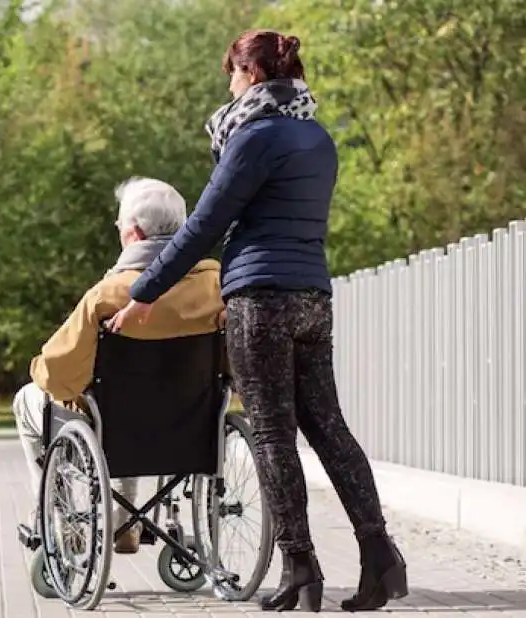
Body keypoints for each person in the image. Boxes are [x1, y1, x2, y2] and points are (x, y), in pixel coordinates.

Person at [108, 30, 408, 611]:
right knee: (330, 428)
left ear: (250, 75)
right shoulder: (318, 138)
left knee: (273, 434)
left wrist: (144, 292)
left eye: (231, 74)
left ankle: (300, 568)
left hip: (260, 300)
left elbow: (202, 227)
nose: (227, 85)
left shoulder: (253, 137)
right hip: (312, 297)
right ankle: (381, 558)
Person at [12, 176, 224, 555]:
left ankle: (58, 520)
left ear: (133, 234)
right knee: (127, 408)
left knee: (31, 400)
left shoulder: (109, 295)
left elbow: (59, 374)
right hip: (192, 426)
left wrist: (39, 370)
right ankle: (124, 523)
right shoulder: (217, 287)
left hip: (117, 426)